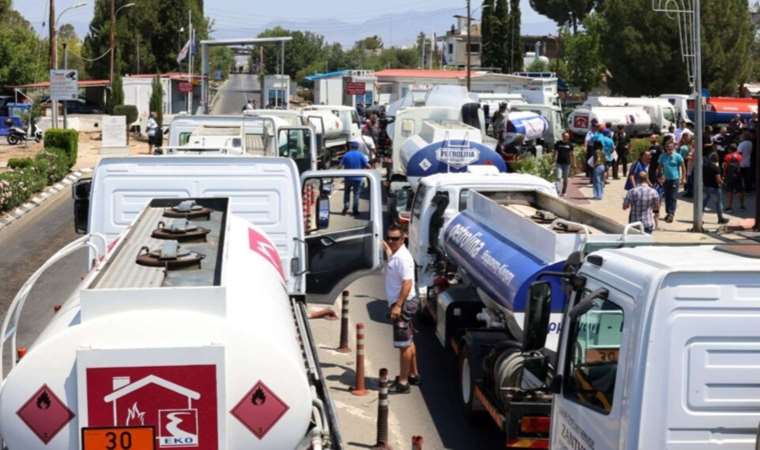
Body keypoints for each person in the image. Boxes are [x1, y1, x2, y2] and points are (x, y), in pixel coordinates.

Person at [383, 224, 420, 394]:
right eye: (388, 238)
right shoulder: (396, 254)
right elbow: (391, 253)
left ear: (403, 238)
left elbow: (407, 283)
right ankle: (413, 374)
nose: (391, 241)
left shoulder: (402, 258)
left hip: (403, 304)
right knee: (409, 341)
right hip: (406, 302)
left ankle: (403, 382)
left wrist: (398, 306)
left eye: (395, 239)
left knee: (403, 344)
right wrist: (384, 246)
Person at [657, 139, 686, 223]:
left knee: (673, 197)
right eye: (667, 148)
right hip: (666, 180)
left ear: (673, 147)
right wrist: (660, 176)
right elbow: (660, 167)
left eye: (671, 148)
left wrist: (683, 178)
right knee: (667, 197)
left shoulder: (677, 156)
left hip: (674, 179)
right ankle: (668, 212)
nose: (669, 149)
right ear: (665, 148)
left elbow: (683, 168)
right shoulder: (662, 156)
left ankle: (671, 214)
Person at [340, 143, 371, 215]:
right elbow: (367, 165)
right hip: (358, 178)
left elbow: (340, 166)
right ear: (357, 147)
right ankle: (355, 210)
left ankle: (346, 207)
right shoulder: (360, 155)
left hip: (347, 178)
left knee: (347, 192)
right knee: (356, 194)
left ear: (350, 147)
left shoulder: (346, 155)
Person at [703, 152, 729, 225]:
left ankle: (699, 217)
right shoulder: (715, 168)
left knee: (704, 202)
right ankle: (720, 218)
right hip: (715, 188)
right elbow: (718, 180)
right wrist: (723, 182)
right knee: (718, 203)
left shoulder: (704, 166)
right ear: (716, 159)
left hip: (706, 186)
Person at [723, 144, 745, 212]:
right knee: (740, 190)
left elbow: (725, 166)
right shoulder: (740, 156)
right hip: (738, 174)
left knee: (730, 191)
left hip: (730, 175)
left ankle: (730, 206)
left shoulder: (727, 156)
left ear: (730, 149)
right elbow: (741, 165)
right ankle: (742, 205)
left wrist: (724, 175)